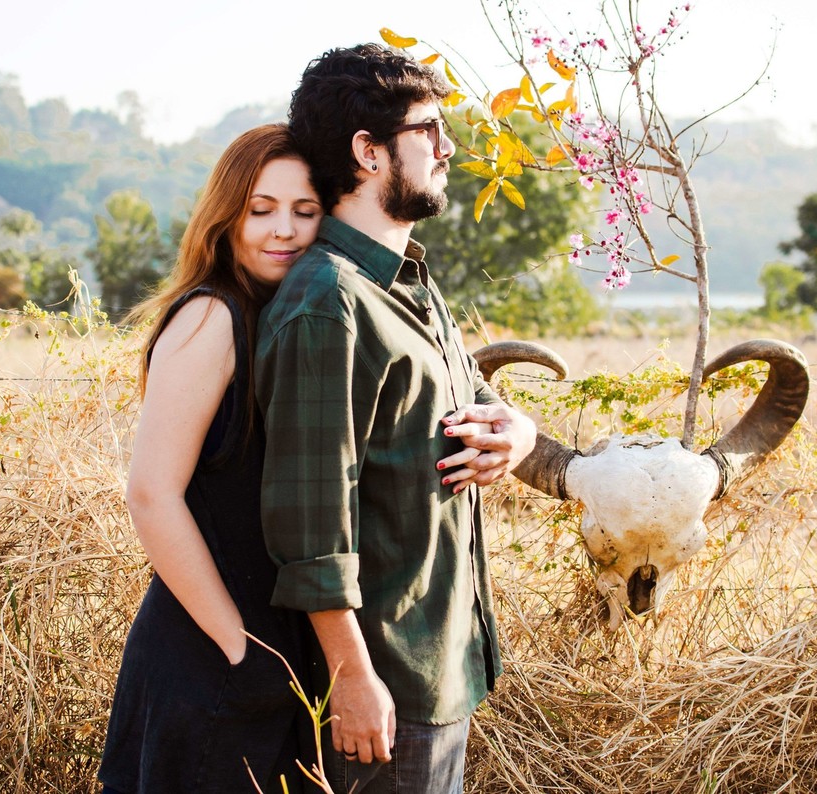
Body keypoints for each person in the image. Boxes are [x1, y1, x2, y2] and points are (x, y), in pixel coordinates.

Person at [255, 45, 537, 793]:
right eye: (430, 130)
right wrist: (352, 678)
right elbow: (311, 528)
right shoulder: (329, 304)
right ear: (368, 152)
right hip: (384, 690)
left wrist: (518, 432)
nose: (448, 149)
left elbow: (477, 395)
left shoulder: (406, 278)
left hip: (439, 663)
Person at [98, 123, 323, 793]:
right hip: (212, 660)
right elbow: (151, 494)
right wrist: (240, 649)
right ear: (226, 218)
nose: (283, 230)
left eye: (305, 211)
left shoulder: (279, 319)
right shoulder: (212, 317)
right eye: (261, 209)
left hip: (271, 662)